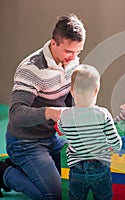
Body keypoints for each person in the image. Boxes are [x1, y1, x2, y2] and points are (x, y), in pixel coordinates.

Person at [0, 14, 86, 199]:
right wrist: (49, 112)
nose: (73, 58)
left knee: (82, 180)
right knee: (54, 195)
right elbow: (15, 114)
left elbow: (69, 98)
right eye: (69, 52)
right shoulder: (32, 69)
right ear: (53, 43)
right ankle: (5, 173)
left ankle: (20, 166)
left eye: (77, 52)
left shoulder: (72, 63)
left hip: (51, 138)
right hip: (24, 142)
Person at [57, 64, 122, 200]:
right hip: (100, 166)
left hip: (76, 169)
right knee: (103, 196)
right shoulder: (102, 114)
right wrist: (114, 149)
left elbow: (61, 130)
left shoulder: (65, 116)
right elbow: (116, 142)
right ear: (96, 90)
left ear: (72, 91)